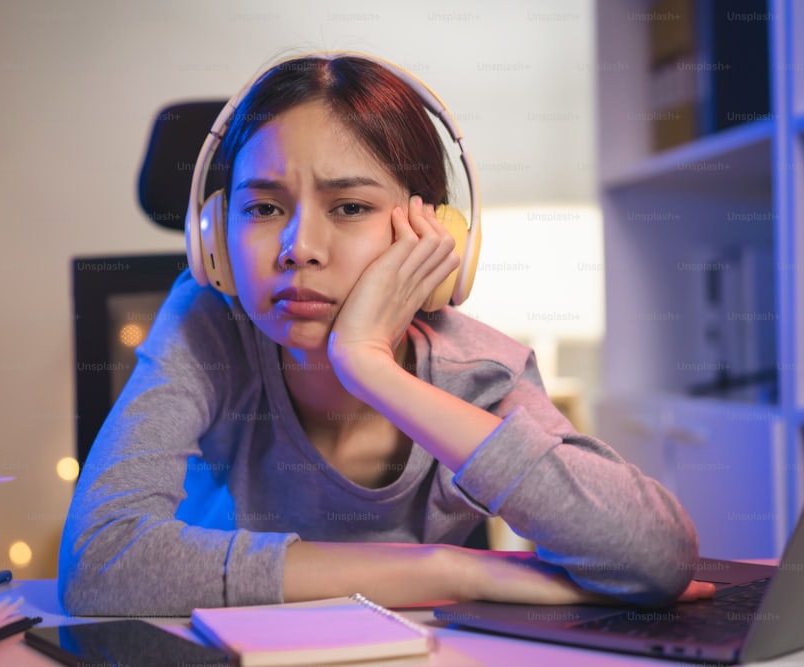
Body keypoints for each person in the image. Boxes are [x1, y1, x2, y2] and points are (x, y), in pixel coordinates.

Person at [59, 52, 713, 616]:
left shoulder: (478, 369)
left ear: (436, 236)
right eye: (263, 207)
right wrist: (447, 571)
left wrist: (369, 364)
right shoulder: (207, 324)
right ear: (214, 240)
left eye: (350, 207)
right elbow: (100, 562)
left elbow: (655, 559)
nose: (299, 247)